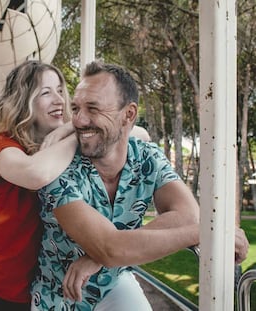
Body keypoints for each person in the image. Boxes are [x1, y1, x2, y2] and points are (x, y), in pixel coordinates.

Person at [31, 60, 249, 310]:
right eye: (76, 108)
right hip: (60, 295)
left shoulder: (147, 157)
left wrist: (98, 259)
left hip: (114, 283)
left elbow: (188, 214)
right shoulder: (59, 169)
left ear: (129, 114)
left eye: (93, 108)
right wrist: (210, 234)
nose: (79, 121)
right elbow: (109, 247)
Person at [0, 60, 78, 311]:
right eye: (45, 92)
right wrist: (75, 136)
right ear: (23, 101)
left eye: (60, 90)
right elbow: (35, 173)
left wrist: (72, 129)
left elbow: (137, 135)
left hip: (26, 287)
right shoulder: (3, 146)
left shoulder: (64, 142)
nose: (59, 100)